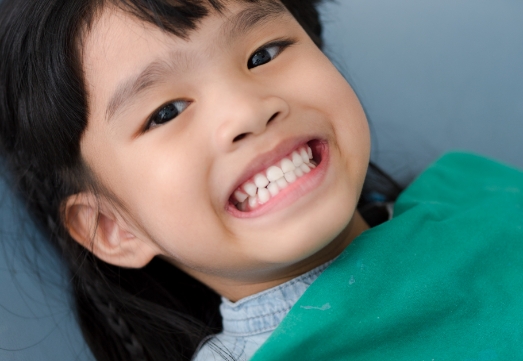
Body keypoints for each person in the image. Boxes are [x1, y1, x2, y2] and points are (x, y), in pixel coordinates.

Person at [1, 1, 521, 361]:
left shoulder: (478, 196)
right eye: (166, 112)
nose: (248, 110)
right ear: (112, 227)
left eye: (264, 54)